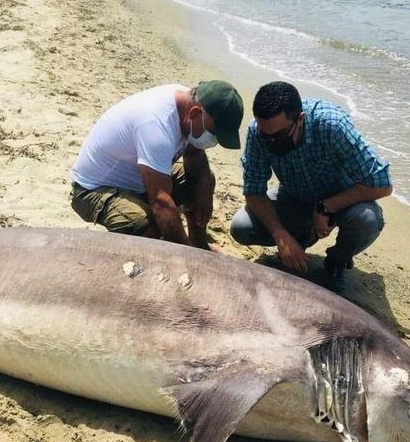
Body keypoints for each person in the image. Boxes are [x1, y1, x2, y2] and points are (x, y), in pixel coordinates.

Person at [230, 81, 392, 288]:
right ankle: (301, 237)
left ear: (300, 119)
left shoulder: (332, 126)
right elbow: (253, 190)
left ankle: (337, 260)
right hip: (295, 197)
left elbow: (382, 183)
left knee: (367, 220)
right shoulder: (257, 132)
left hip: (342, 202)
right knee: (241, 227)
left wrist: (326, 206)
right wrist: (280, 234)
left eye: (279, 135)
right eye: (266, 136)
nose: (272, 142)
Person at [70, 81, 244, 250]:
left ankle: (198, 244)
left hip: (139, 177)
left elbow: (193, 154)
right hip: (94, 190)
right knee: (145, 226)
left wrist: (204, 189)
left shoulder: (188, 102)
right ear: (194, 113)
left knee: (202, 180)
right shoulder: (156, 125)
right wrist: (184, 253)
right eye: (213, 133)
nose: (214, 140)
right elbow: (161, 202)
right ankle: (186, 251)